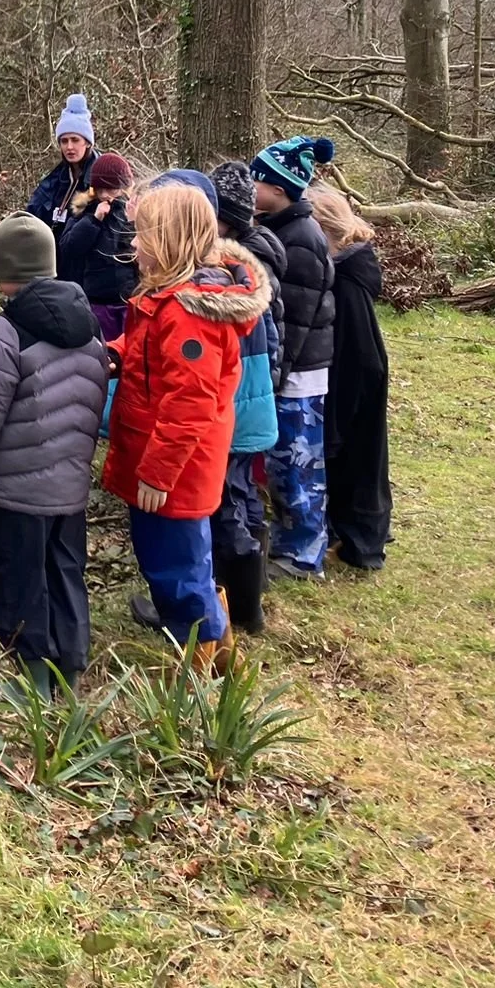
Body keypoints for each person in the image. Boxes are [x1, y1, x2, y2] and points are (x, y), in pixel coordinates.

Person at [0, 213, 110, 696]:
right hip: (71, 487)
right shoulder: (89, 325)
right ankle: (70, 677)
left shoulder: (6, 332)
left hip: (18, 492)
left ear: (3, 272)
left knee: (20, 582)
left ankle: (35, 684)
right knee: (66, 573)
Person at [100, 183, 270, 668]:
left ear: (168, 241)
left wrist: (157, 472)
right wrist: (112, 355)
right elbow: (150, 358)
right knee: (178, 563)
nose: (134, 245)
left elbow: (190, 401)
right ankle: (219, 657)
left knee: (176, 568)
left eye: (143, 236)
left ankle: (200, 670)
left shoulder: (186, 315)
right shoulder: (167, 301)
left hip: (173, 470)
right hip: (168, 462)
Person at [251, 136, 338, 581]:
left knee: (298, 463)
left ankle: (304, 554)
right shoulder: (283, 228)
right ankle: (291, 542)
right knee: (284, 462)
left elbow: (297, 321)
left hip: (298, 375)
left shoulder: (301, 239)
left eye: (258, 180)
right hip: (291, 370)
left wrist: (277, 375)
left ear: (280, 189)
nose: (251, 186)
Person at [208, 160, 288, 633]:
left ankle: (237, 605)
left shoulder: (236, 273)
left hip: (240, 403)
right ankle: (247, 602)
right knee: (243, 496)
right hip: (255, 399)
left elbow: (255, 344)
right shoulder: (254, 266)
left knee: (231, 499)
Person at [306, 186, 393, 571]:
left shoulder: (346, 280)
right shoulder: (349, 270)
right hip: (351, 383)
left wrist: (339, 409)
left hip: (352, 386)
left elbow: (360, 354)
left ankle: (361, 543)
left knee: (358, 464)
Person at [55, 150, 137, 340]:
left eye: (112, 190)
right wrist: (94, 220)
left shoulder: (132, 213)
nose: (106, 195)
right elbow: (68, 248)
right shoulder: (84, 212)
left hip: (129, 300)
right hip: (96, 301)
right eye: (101, 190)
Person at [26, 94, 98, 231]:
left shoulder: (102, 178)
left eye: (75, 140)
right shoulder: (54, 180)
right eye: (64, 141)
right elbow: (31, 216)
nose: (69, 147)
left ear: (88, 142)